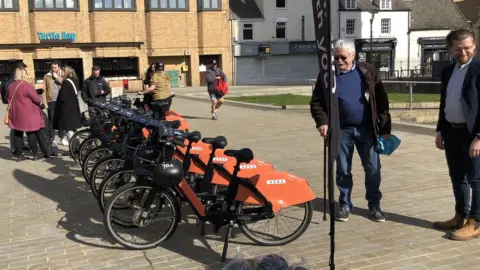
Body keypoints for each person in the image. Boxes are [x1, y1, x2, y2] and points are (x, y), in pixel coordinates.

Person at [310, 39, 391, 223]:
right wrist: (322, 122)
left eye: (343, 57)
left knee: (373, 169)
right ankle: (345, 204)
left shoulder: (367, 71)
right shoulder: (327, 76)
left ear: (353, 56)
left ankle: (374, 205)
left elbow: (382, 100)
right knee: (343, 170)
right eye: (336, 57)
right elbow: (316, 102)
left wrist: (385, 129)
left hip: (366, 129)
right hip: (341, 130)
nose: (339, 61)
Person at [433, 28, 480, 241]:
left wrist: (479, 137)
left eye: (468, 47)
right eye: (458, 48)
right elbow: (445, 102)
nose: (464, 52)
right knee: (457, 176)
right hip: (451, 131)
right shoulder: (448, 71)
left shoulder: (479, 70)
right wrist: (440, 129)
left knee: (476, 179)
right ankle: (460, 215)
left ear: (474, 46)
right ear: (450, 49)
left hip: (473, 135)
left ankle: (476, 221)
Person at [6, 66, 46, 162]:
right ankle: (35, 155)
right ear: (23, 75)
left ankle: (19, 156)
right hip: (27, 114)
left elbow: (7, 98)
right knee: (31, 134)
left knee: (18, 134)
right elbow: (37, 99)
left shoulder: (10, 86)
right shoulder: (26, 86)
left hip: (15, 113)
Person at [53, 65, 82, 142]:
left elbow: (63, 97)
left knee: (69, 129)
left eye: (62, 71)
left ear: (66, 72)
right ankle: (77, 146)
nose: (60, 72)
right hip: (74, 107)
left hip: (67, 109)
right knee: (74, 129)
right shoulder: (75, 79)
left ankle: (73, 147)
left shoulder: (66, 82)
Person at [42, 60, 66, 147]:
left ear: (58, 67)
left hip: (61, 100)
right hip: (51, 100)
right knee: (51, 120)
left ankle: (62, 137)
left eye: (55, 67)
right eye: (52, 67)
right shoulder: (47, 76)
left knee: (61, 119)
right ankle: (52, 139)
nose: (53, 69)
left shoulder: (63, 74)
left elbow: (65, 85)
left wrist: (57, 77)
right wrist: (44, 102)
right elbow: (44, 90)